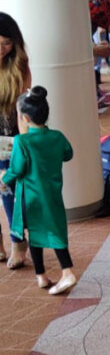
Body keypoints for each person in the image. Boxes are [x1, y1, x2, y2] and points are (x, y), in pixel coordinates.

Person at [0, 86, 75, 294]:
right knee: (56, 230)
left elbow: (16, 169)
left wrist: (3, 179)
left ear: (24, 118)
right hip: (52, 194)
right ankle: (64, 270)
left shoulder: (22, 141)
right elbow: (68, 154)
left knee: (35, 234)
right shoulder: (57, 137)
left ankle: (45, 275)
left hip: (30, 197)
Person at [0, 14, 32, 269]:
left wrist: (25, 143)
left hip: (11, 139)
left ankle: (18, 242)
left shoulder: (19, 66)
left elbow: (24, 110)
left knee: (10, 192)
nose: (1, 49)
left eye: (7, 43)